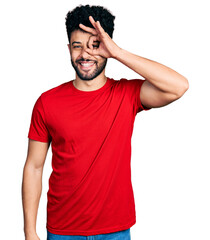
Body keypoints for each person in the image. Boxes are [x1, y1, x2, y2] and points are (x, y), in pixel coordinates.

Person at [22, 4, 189, 240]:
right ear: (68, 48)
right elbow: (34, 167)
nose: (85, 55)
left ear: (107, 46)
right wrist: (30, 231)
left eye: (95, 45)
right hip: (63, 231)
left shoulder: (126, 94)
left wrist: (118, 52)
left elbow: (178, 86)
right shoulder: (47, 102)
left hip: (115, 231)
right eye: (77, 46)